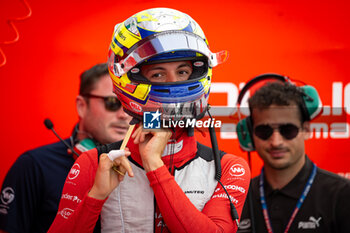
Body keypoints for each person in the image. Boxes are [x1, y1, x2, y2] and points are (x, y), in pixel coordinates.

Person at [48, 7, 251, 233]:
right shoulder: (94, 164)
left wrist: (154, 164)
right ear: (128, 79)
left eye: (183, 72)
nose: (174, 83)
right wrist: (96, 197)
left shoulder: (228, 168)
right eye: (158, 74)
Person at [0, 63, 131, 233]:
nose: (124, 114)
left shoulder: (145, 166)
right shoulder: (34, 165)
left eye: (129, 104)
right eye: (112, 102)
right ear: (82, 106)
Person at [236, 79, 350, 233]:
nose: (276, 142)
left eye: (288, 130)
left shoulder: (342, 195)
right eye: (264, 131)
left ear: (306, 129)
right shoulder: (236, 198)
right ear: (250, 134)